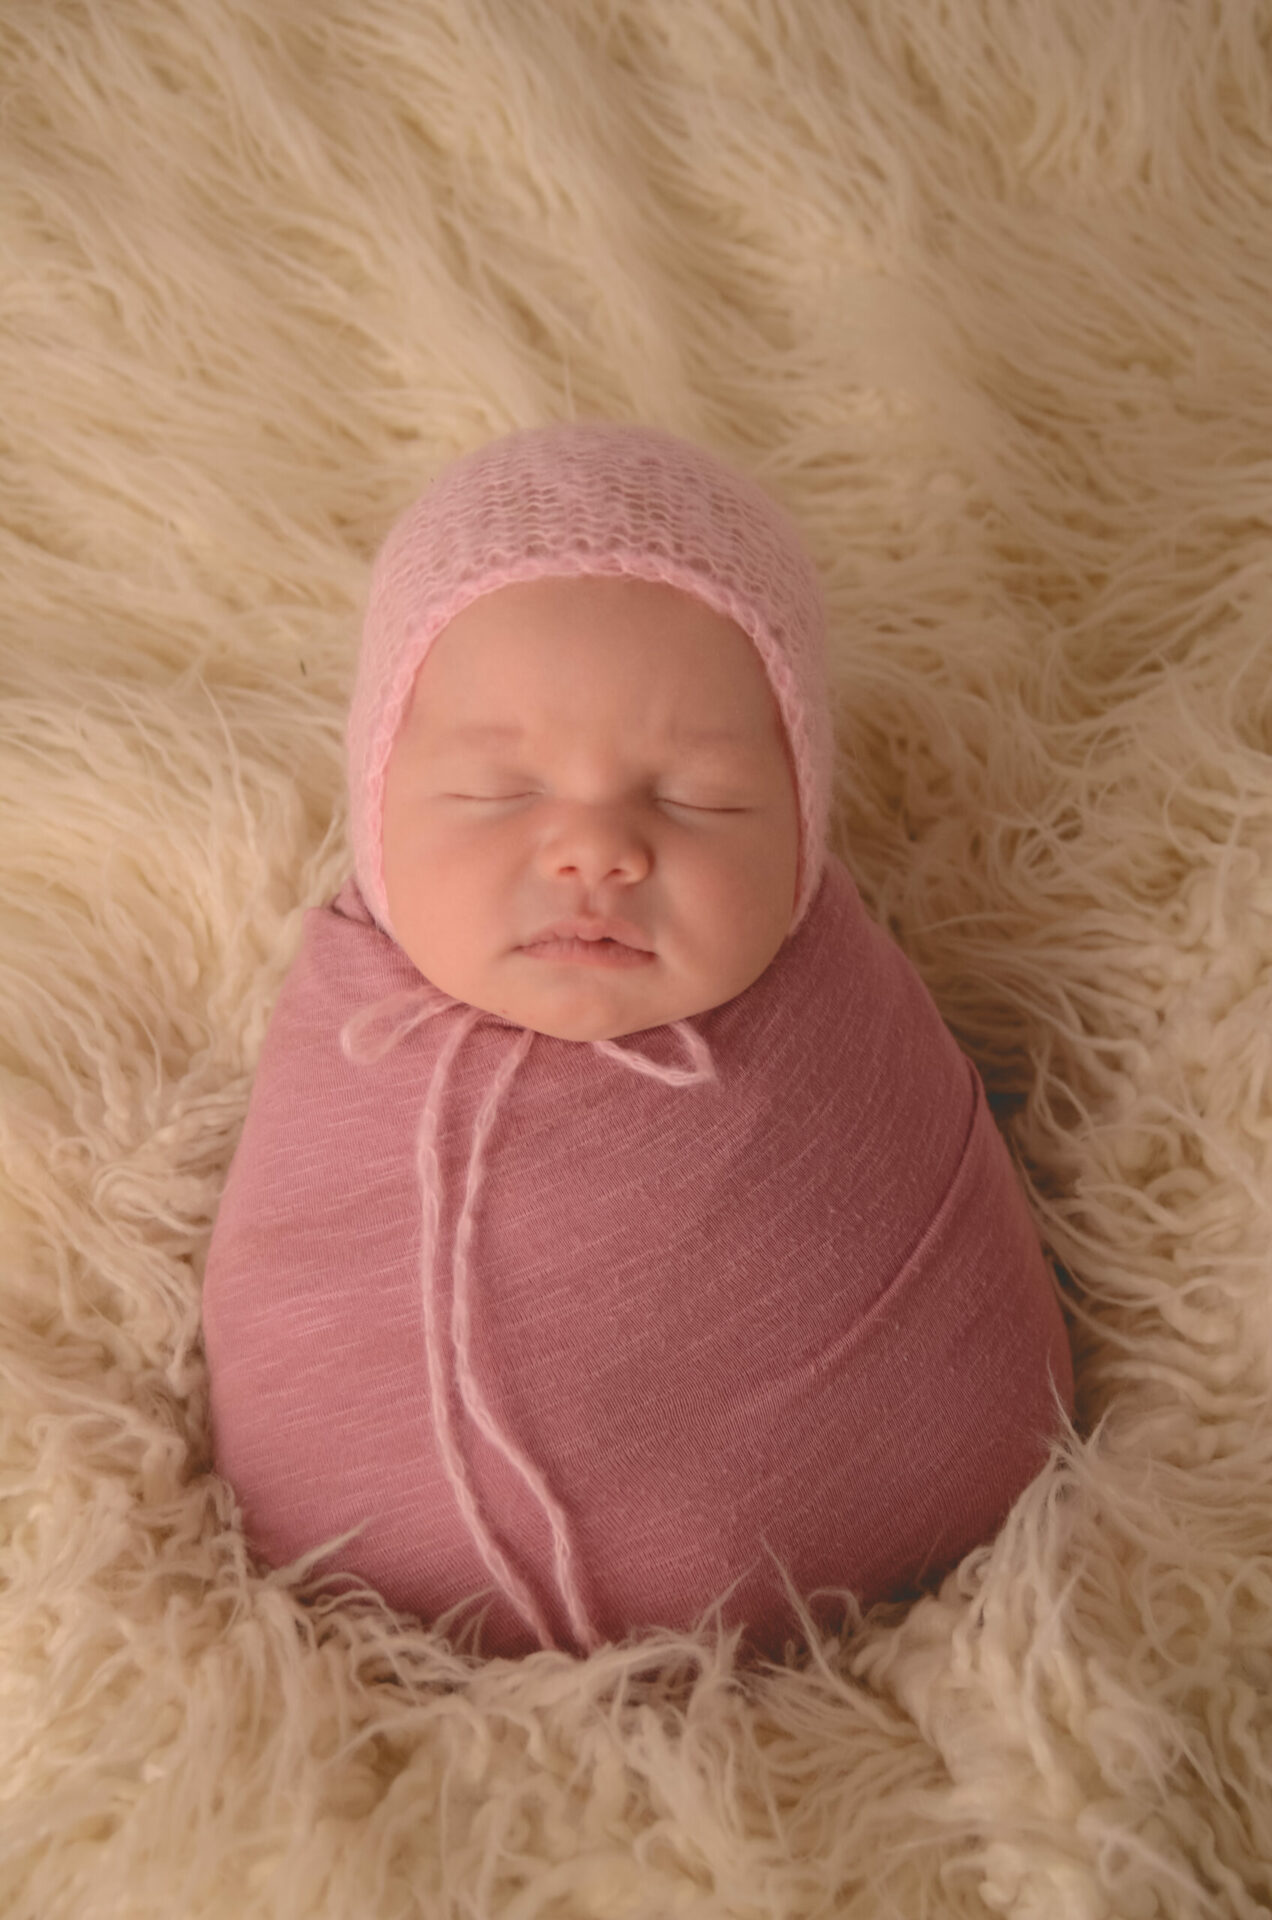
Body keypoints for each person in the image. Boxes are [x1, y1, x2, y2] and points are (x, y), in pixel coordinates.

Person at [201, 421, 1074, 1662]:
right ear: (379, 796)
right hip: (384, 1672)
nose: (596, 851)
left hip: (897, 1634)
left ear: (801, 815)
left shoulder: (842, 1035)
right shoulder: (347, 1036)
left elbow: (955, 1326)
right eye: (500, 792)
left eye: (699, 798)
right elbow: (294, 1290)